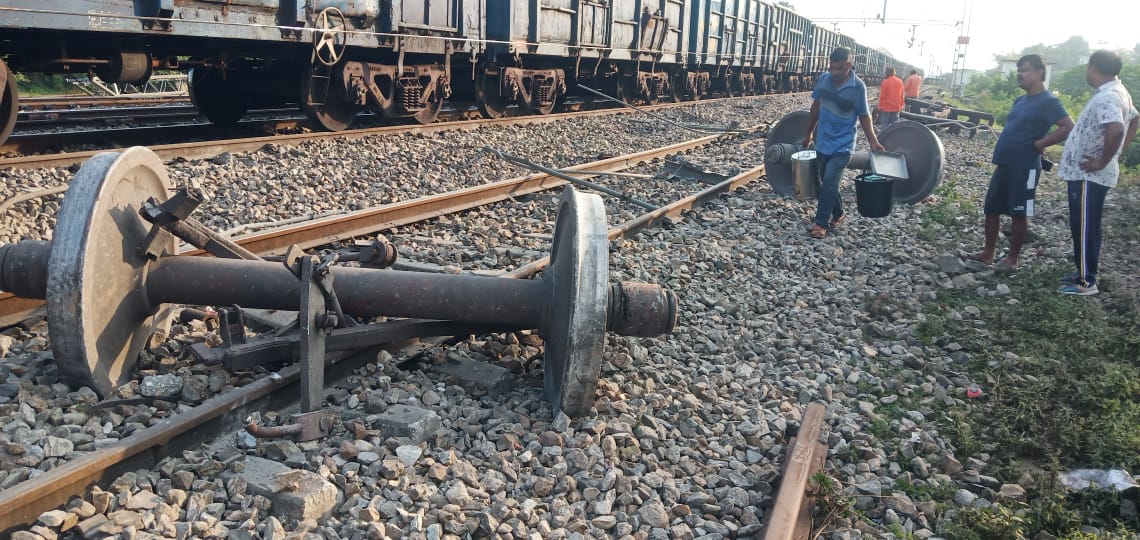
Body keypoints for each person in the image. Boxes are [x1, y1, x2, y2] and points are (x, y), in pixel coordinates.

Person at [965, 54, 1073, 269]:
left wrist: (1040, 144)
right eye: (1019, 70)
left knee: (1019, 211)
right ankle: (988, 253)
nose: (1020, 74)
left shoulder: (1049, 101)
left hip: (1025, 166)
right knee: (992, 208)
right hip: (1005, 162)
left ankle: (1012, 259)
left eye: (1025, 70)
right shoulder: (1020, 100)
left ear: (1040, 72)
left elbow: (1069, 126)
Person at [1056, 50, 1139, 295]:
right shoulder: (1118, 92)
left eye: (1087, 68)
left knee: (1084, 226)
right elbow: (1134, 119)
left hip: (1089, 175)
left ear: (1093, 68)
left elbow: (1116, 128)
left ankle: (1085, 282)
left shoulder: (1108, 97)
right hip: (1090, 174)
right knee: (1086, 224)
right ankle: (1083, 271)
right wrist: (1119, 152)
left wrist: (1103, 160)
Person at [802, 47, 886, 239]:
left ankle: (820, 223)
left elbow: (865, 116)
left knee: (831, 181)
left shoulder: (858, 87)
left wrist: (873, 141)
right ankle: (839, 214)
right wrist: (808, 134)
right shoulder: (824, 79)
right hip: (823, 141)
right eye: (832, 68)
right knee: (825, 182)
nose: (834, 73)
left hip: (844, 145)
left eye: (839, 69)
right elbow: (815, 108)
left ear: (849, 65)